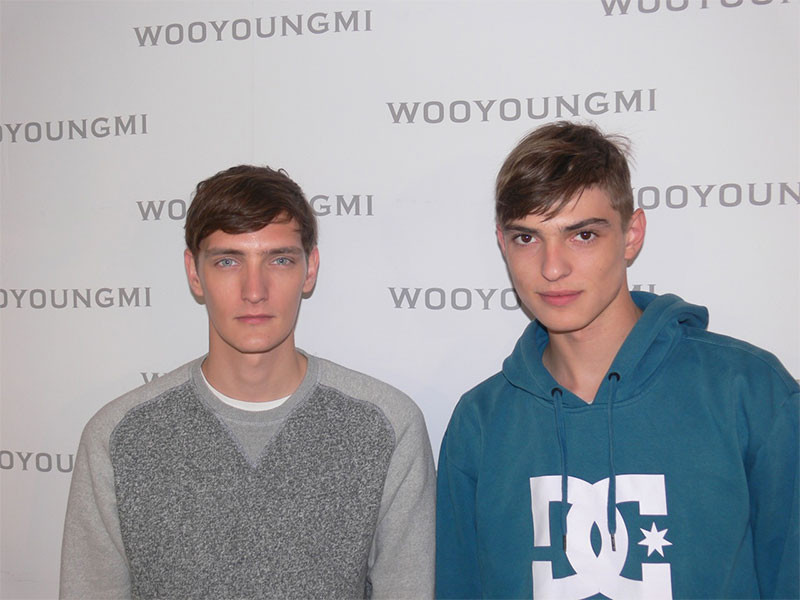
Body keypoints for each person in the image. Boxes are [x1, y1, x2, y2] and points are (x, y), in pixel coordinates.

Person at [435, 121, 799, 599]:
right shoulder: (480, 422)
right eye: (527, 238)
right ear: (503, 244)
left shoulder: (749, 392)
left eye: (583, 235)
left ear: (631, 235)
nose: (552, 267)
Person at [60, 165, 436, 599]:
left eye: (279, 260)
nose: (254, 290)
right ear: (194, 273)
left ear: (310, 269)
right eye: (228, 261)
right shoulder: (118, 436)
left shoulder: (387, 426)